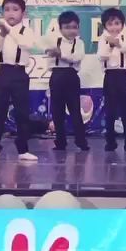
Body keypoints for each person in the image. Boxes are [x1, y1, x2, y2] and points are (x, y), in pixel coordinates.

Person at [0, 0, 41, 162]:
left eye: (15, 9)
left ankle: (23, 149)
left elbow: (27, 45)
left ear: (23, 13)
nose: (11, 13)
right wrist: (3, 34)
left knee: (22, 113)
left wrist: (10, 31)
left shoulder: (27, 31)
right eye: (7, 9)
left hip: (19, 74)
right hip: (3, 73)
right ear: (2, 13)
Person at [44, 11, 89, 152]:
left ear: (78, 28)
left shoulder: (79, 43)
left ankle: (81, 142)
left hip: (71, 76)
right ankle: (60, 142)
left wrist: (61, 54)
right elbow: (48, 54)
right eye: (67, 27)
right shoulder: (55, 41)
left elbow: (77, 57)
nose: (71, 31)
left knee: (75, 110)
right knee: (57, 111)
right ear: (60, 28)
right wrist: (52, 52)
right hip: (57, 75)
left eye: (74, 27)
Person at [97, 8, 126, 153]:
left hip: (123, 75)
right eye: (110, 24)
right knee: (110, 111)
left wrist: (118, 43)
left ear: (122, 24)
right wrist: (110, 44)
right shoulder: (103, 39)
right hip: (110, 76)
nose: (114, 27)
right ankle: (110, 142)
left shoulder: (125, 37)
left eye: (117, 23)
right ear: (105, 26)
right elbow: (101, 56)